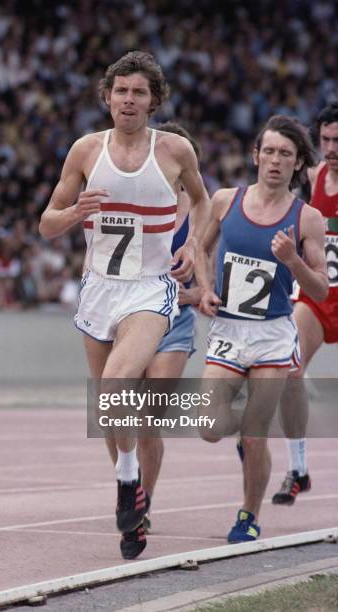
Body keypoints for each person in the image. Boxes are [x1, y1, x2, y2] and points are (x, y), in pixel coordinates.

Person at [39, 52, 210, 559]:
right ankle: (132, 497)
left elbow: (201, 202)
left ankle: (128, 484)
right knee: (108, 406)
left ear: (153, 100)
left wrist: (192, 243)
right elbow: (46, 222)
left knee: (118, 386)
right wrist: (75, 212)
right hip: (99, 288)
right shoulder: (86, 151)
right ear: (107, 96)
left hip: (149, 288)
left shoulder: (175, 150)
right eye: (121, 91)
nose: (129, 100)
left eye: (139, 92)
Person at [195, 115, 328, 543]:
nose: (274, 161)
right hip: (230, 332)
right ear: (255, 156)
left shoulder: (306, 219)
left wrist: (292, 261)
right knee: (209, 426)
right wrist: (203, 288)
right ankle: (248, 443)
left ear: (297, 164)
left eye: (285, 154)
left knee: (255, 434)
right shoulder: (225, 200)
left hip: (272, 335)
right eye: (268, 151)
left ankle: (248, 515)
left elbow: (322, 289)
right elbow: (198, 247)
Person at [105, 122, 203, 542]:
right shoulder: (136, 204)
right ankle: (127, 488)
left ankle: (144, 501)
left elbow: (205, 288)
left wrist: (187, 293)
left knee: (148, 421)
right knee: (116, 411)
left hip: (174, 324)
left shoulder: (197, 220)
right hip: (129, 319)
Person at [273, 102, 338, 505]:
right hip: (319, 294)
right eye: (326, 139)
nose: (332, 147)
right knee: (287, 367)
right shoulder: (314, 176)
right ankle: (297, 469)